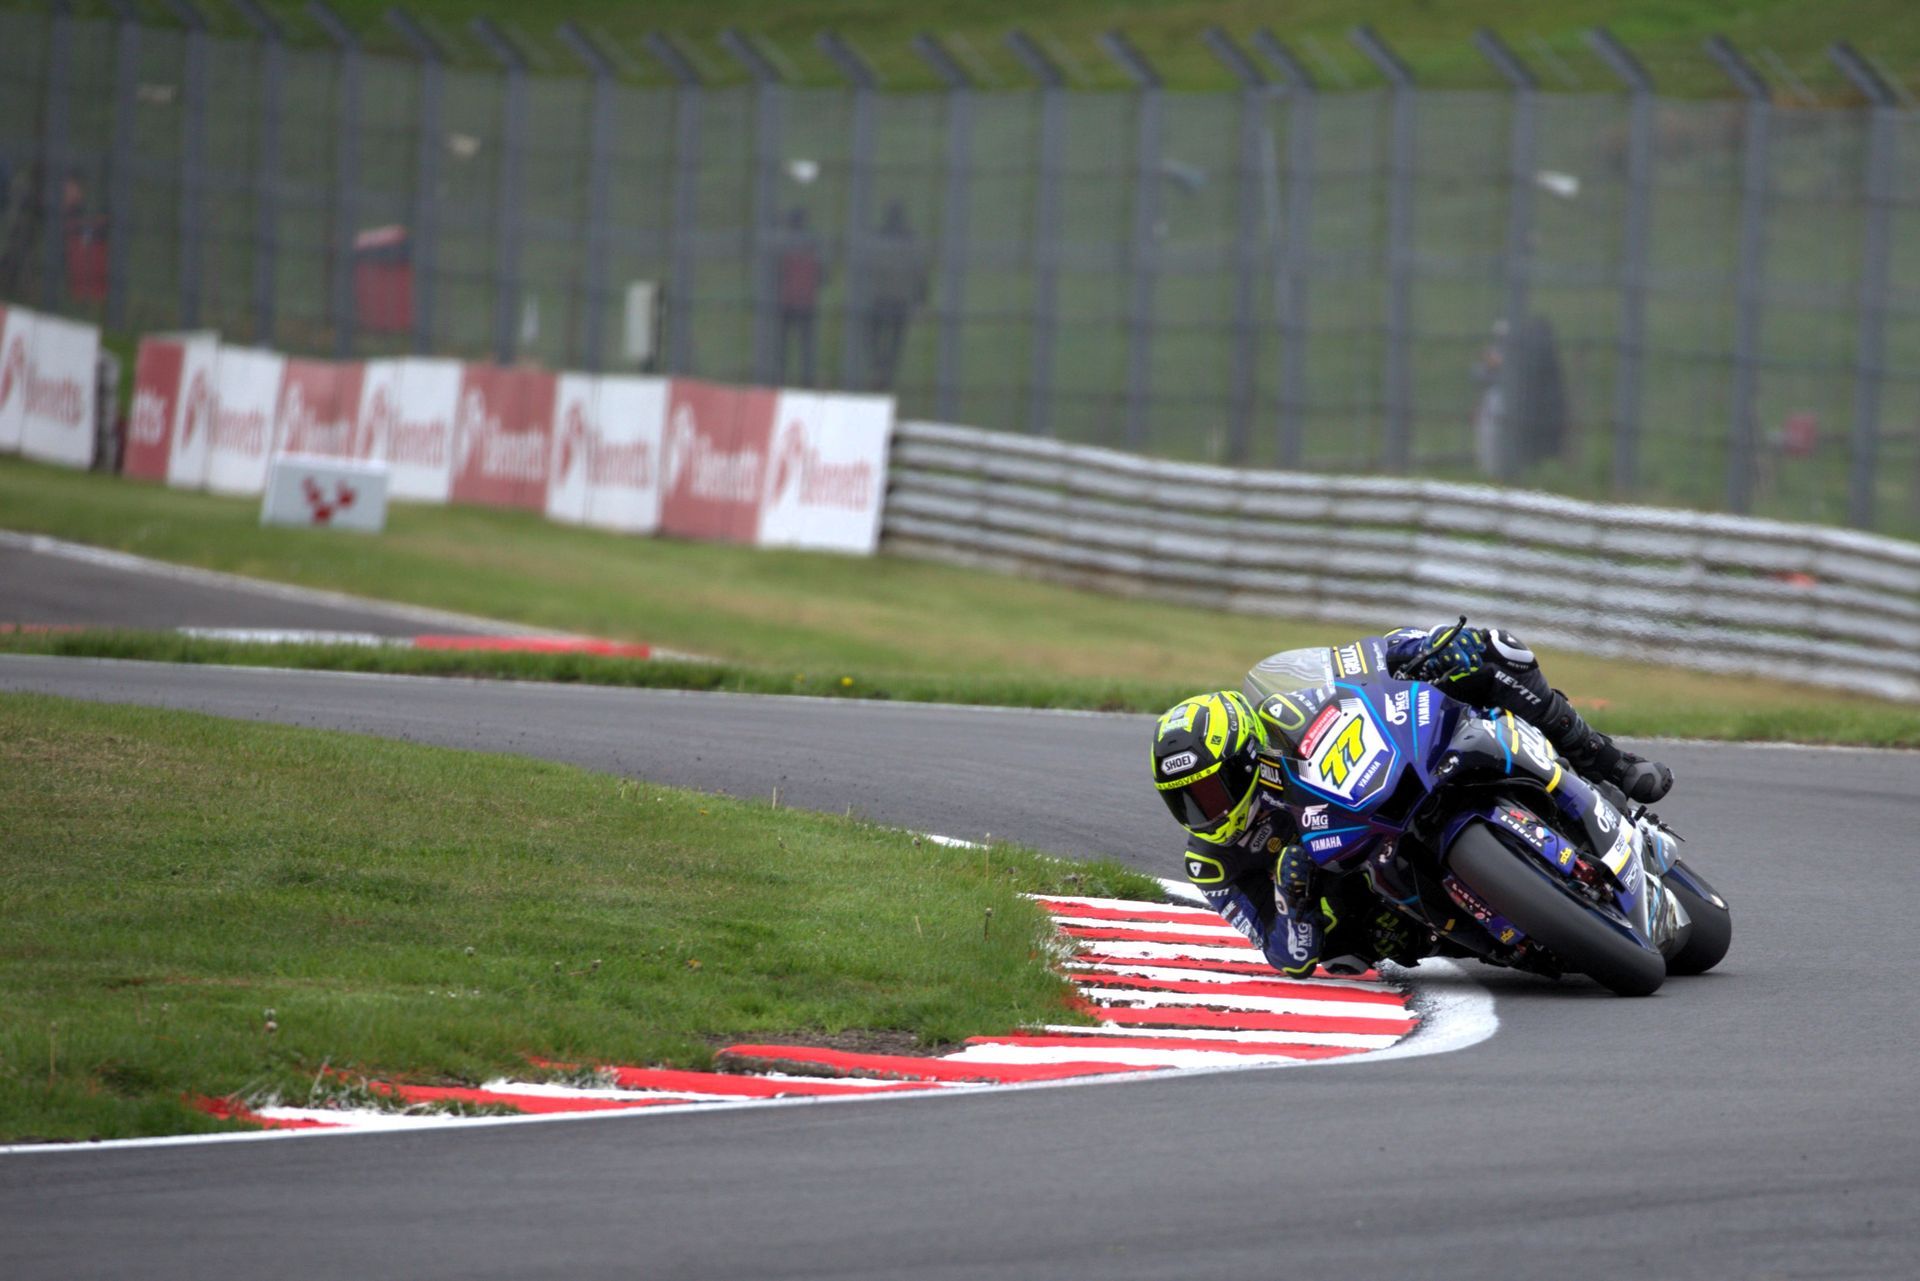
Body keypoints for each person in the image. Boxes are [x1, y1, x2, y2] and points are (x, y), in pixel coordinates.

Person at [1149, 624, 1673, 980]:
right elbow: (1289, 956)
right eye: (1187, 803)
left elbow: (1355, 661)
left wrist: (1421, 648)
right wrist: (1294, 901)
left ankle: (1611, 762)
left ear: (1246, 759)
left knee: (1493, 652)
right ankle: (1515, 924)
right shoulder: (1211, 864)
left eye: (1208, 792)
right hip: (1356, 886)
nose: (1203, 813)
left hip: (1387, 784)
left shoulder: (1281, 718)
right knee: (1352, 948)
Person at [865, 200, 927, 391]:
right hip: (899, 299)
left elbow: (866, 270)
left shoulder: (876, 239)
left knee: (875, 338)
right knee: (894, 341)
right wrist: (920, 300)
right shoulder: (910, 240)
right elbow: (919, 274)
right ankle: (886, 373)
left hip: (880, 298)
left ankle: (880, 370)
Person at [777, 207, 824, 387]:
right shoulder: (813, 243)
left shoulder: (783, 243)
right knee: (806, 345)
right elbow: (822, 274)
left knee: (783, 346)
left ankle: (780, 378)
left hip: (787, 301)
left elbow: (777, 273)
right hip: (806, 301)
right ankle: (807, 380)